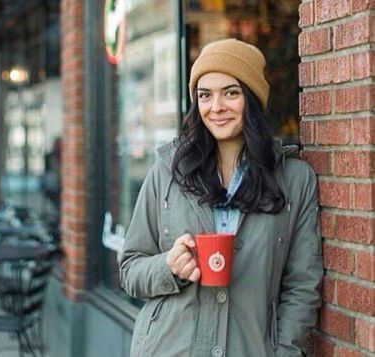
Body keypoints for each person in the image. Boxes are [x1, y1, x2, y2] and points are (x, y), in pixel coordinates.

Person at [119, 38, 323, 357]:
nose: (216, 107)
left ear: (252, 98)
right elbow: (130, 270)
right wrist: (168, 268)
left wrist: (283, 351)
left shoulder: (295, 179)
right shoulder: (166, 172)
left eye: (231, 93)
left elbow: (302, 286)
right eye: (205, 95)